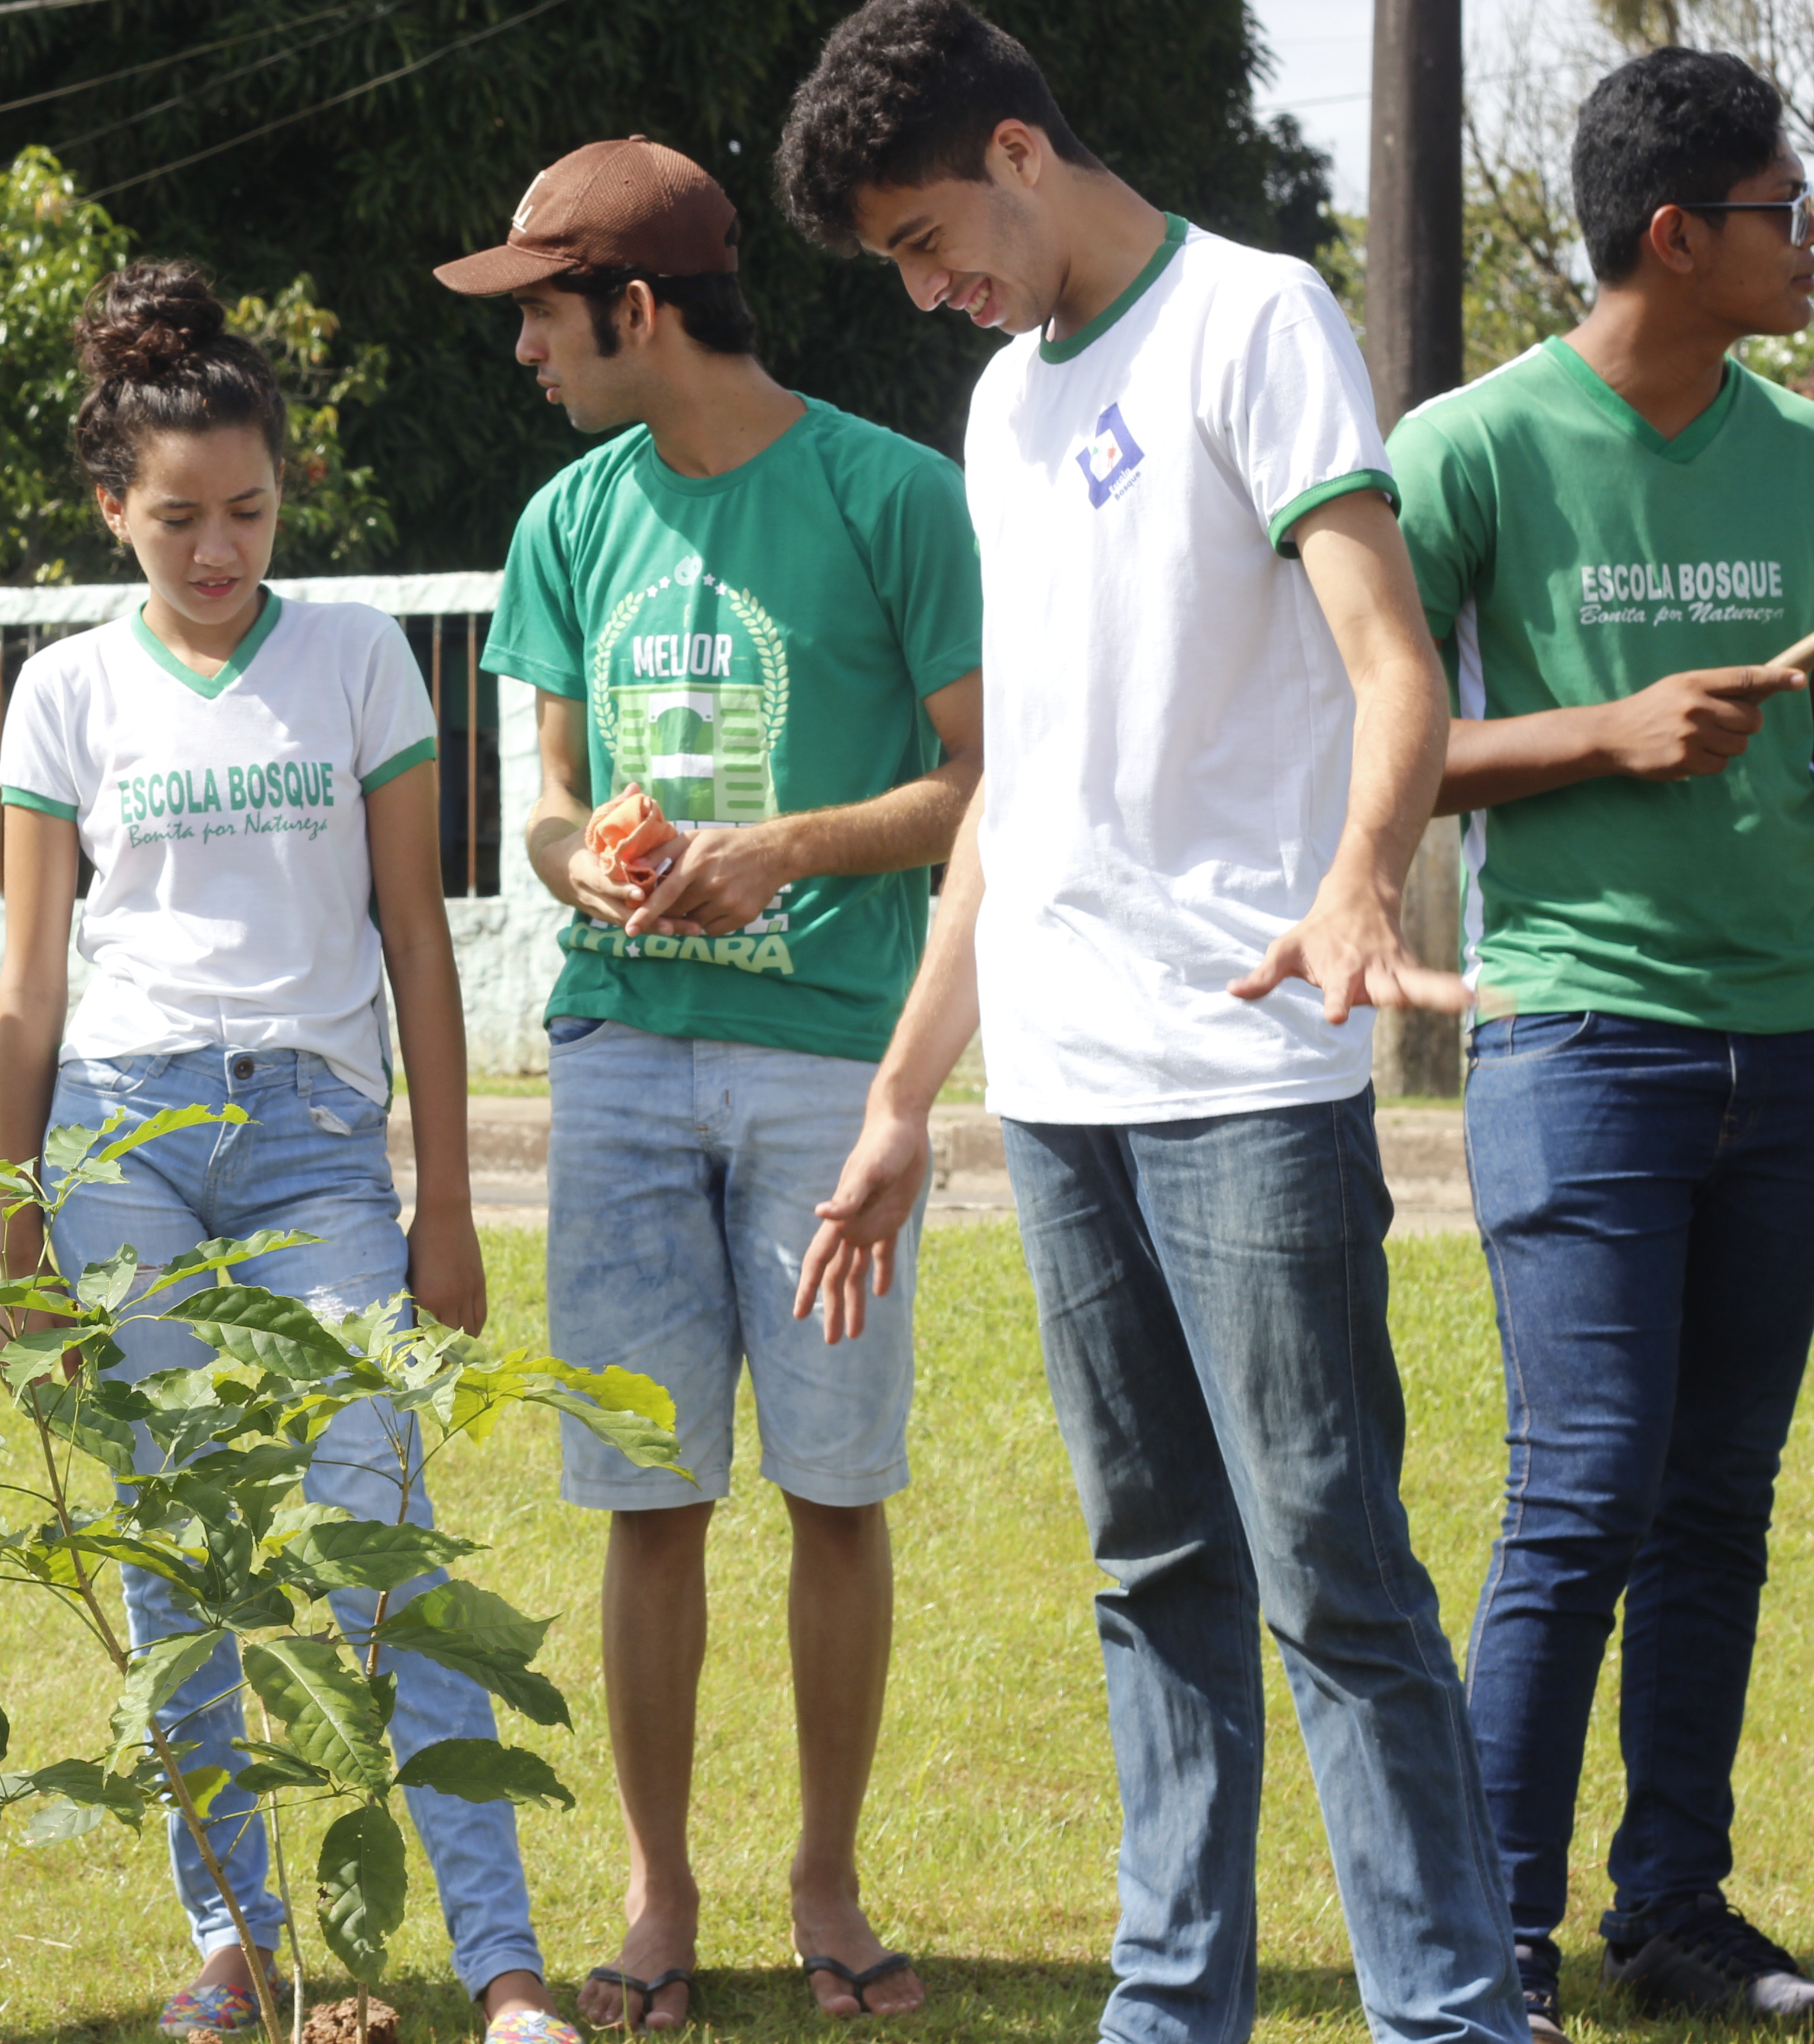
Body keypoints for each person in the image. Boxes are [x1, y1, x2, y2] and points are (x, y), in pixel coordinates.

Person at [775, 7, 1529, 2043]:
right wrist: (902, 1095)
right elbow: (1014, 793)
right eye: (903, 273)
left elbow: (1390, 662)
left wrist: (1360, 875)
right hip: (1063, 1078)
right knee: (1148, 1569)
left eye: (932, 242)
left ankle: (1450, 2014)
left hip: (1244, 1071)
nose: (935, 296)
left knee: (1330, 1571)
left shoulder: (1254, 316)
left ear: (1017, 150)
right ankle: (1164, 2004)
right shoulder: (1004, 414)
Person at [0, 260, 573, 2044]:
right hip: (121, 1138)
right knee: (178, 1564)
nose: (217, 547)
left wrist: (447, 1204)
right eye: (177, 518)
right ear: (114, 512)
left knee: (378, 1540)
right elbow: (27, 983)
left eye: (247, 510)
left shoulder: (356, 656)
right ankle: (235, 1947)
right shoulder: (64, 692)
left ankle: (506, 1970)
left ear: (280, 499)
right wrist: (20, 1237)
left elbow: (416, 936)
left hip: (323, 1140)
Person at [433, 135, 983, 2027]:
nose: (527, 357)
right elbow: (545, 799)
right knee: (643, 1496)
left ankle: (825, 1884)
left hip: (831, 1061)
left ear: (640, 310)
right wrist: (576, 857)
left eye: (544, 319)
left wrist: (794, 847)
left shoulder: (893, 495)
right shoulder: (568, 521)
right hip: (620, 1064)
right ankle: (659, 1901)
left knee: (838, 1488)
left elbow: (984, 785)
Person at [1386, 46, 1814, 2036]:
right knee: (1584, 1487)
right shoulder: (1467, 449)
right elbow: (1363, 756)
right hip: (1582, 1037)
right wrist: (1603, 731)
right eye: (1778, 208)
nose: (1800, 238)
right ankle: (1489, 1943)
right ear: (1677, 232)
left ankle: (1671, 1914)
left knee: (1721, 1489)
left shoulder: (1802, 453)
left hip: (1790, 1043)